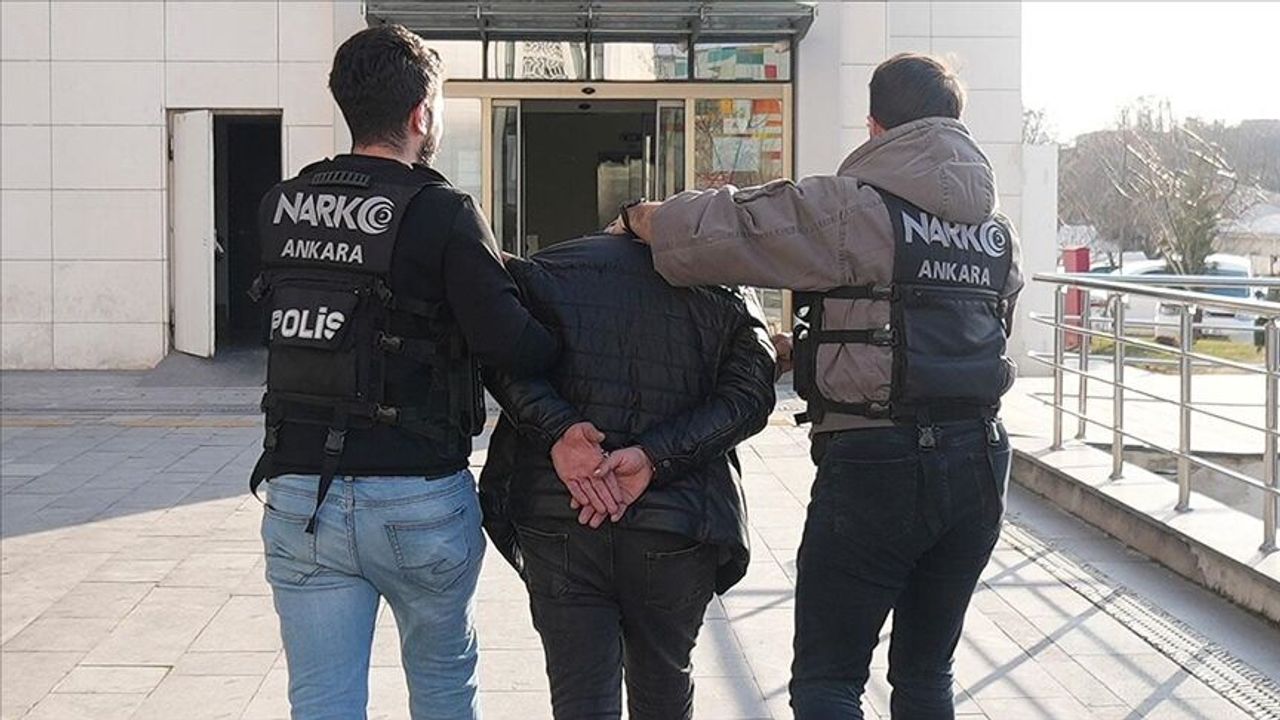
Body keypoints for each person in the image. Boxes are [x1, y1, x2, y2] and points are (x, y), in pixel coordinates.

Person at [610, 53, 1024, 719]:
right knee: (926, 675)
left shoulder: (852, 208)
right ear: (956, 123)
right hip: (981, 460)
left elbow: (724, 229)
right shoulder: (997, 235)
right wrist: (807, 351)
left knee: (829, 680)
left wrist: (637, 217)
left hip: (876, 464)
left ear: (875, 126)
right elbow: (934, 331)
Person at [250, 25, 559, 719]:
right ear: (422, 114)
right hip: (417, 499)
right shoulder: (443, 212)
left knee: (321, 702)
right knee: (444, 687)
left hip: (299, 493)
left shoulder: (281, 205)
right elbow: (514, 346)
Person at [479, 233, 777, 720]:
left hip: (561, 511)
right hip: (678, 522)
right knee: (664, 688)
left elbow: (501, 357)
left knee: (579, 699)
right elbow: (750, 395)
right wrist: (654, 457)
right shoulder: (727, 286)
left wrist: (561, 432)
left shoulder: (545, 269)